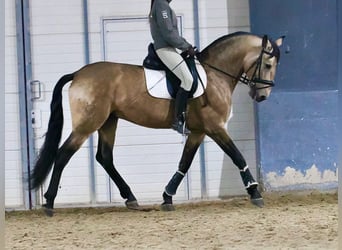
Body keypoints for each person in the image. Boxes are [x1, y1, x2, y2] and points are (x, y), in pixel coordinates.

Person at [149, 0, 196, 135]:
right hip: (164, 49)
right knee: (188, 79)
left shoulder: (162, 5)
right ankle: (178, 120)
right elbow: (168, 32)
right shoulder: (161, 4)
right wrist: (186, 46)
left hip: (169, 48)